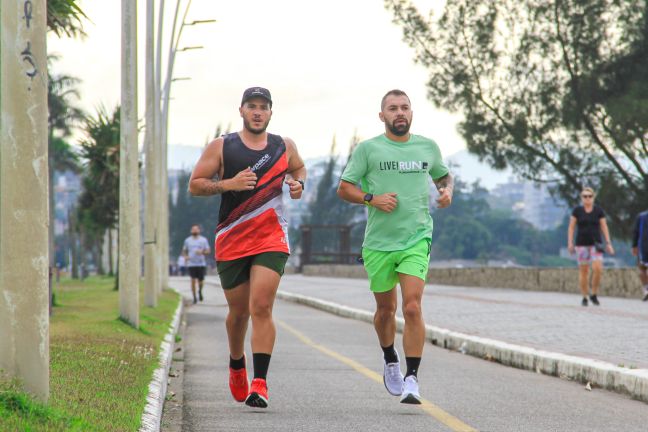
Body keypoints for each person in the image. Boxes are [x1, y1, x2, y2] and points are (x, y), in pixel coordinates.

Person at [188, 87, 306, 408]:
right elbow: (195, 184)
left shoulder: (284, 146)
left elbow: (298, 169)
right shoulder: (223, 146)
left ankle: (260, 383)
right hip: (232, 238)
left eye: (263, 107)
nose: (257, 112)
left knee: (262, 306)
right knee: (238, 313)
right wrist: (229, 183)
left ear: (270, 113)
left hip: (271, 239)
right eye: (251, 106)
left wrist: (298, 184)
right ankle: (237, 360)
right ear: (241, 110)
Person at [337, 89, 453, 405]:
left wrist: (446, 192)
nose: (399, 113)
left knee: (412, 306)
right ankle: (390, 357)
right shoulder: (368, 150)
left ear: (411, 113)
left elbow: (443, 177)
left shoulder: (427, 147)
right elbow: (344, 188)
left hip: (416, 237)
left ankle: (412, 377)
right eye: (393, 108)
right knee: (385, 310)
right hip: (378, 243)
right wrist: (372, 198)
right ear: (382, 115)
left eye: (404, 107)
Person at [567, 187, 614, 306]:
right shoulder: (577, 211)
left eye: (589, 196)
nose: (587, 199)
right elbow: (571, 227)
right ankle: (584, 296)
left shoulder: (598, 211)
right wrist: (570, 243)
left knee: (598, 269)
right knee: (584, 271)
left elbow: (604, 227)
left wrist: (608, 243)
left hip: (596, 244)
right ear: (581, 198)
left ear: (593, 197)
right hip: (581, 244)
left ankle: (594, 293)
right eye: (585, 196)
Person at [182, 224, 211, 304]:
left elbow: (208, 251)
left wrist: (201, 252)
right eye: (193, 229)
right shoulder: (187, 240)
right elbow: (184, 250)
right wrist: (185, 256)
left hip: (201, 263)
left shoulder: (203, 240)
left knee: (201, 281)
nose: (194, 231)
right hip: (191, 264)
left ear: (199, 230)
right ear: (191, 231)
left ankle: (200, 291)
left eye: (196, 229)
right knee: (193, 280)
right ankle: (194, 297)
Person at [632, 209, 648, 301]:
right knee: (642, 268)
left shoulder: (641, 216)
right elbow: (636, 232)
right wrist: (634, 245)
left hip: (642, 246)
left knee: (642, 268)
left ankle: (646, 288)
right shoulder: (641, 216)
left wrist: (634, 245)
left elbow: (635, 232)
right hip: (643, 246)